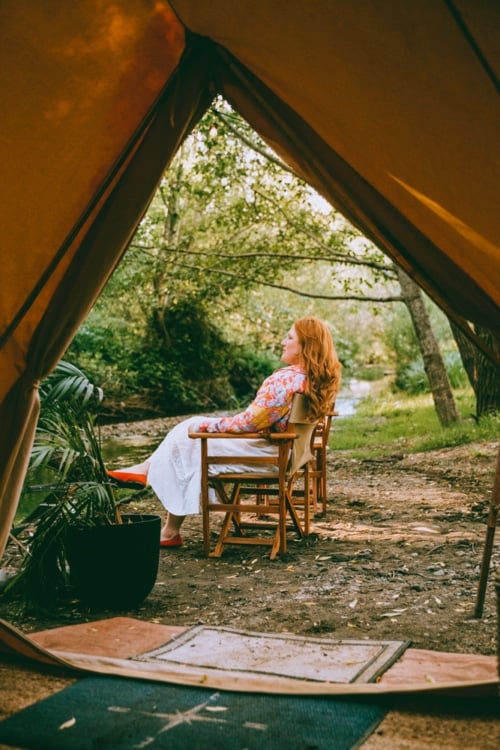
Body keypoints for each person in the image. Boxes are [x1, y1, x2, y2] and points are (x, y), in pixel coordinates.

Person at [107, 316, 342, 547]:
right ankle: (165, 519)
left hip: (270, 456)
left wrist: (205, 425)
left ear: (305, 346)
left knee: (189, 433)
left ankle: (152, 488)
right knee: (188, 437)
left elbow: (248, 424)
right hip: (288, 454)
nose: (283, 341)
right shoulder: (314, 380)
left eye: (289, 337)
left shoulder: (284, 380)